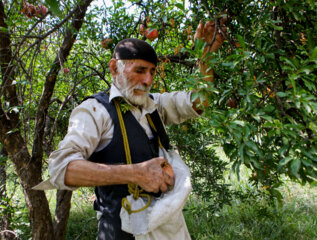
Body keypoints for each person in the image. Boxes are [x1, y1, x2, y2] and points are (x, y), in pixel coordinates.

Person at [43, 19, 226, 239]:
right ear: (114, 68)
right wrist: (136, 173)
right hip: (120, 231)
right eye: (140, 70)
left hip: (163, 227)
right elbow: (61, 168)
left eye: (151, 71)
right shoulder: (94, 111)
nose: (148, 80)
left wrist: (205, 57)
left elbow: (199, 102)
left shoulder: (154, 104)